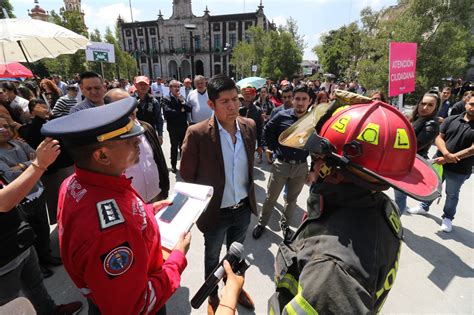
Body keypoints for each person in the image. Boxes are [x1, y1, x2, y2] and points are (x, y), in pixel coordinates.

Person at [267, 101, 440, 314]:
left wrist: (230, 301)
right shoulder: (383, 207)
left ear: (335, 171)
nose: (314, 167)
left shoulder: (332, 271)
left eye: (317, 159)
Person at [41, 97, 191, 314]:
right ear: (102, 155)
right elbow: (136, 306)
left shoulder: (74, 182)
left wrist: (147, 211)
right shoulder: (112, 231)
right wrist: (177, 258)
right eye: (130, 140)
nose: (139, 142)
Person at [180, 74, 257, 315]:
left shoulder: (249, 127)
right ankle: (212, 295)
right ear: (211, 104)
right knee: (212, 257)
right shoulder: (198, 133)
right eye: (225, 101)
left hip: (243, 208)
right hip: (215, 212)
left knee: (236, 254)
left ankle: (234, 288)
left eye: (235, 99)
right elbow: (187, 175)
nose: (233, 106)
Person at [0, 137, 83, 315]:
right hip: (3, 260)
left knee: (35, 285)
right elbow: (3, 202)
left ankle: (50, 311)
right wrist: (38, 164)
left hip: (18, 237)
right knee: (10, 304)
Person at [0, 116, 62, 279]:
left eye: (6, 126)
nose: (4, 130)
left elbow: (37, 157)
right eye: (0, 127)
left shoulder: (19, 143)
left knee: (42, 228)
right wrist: (33, 163)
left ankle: (46, 256)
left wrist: (25, 165)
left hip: (37, 192)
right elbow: (9, 176)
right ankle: (38, 266)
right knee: (29, 233)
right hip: (20, 201)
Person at [252, 85, 312, 240]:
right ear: (292, 99)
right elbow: (267, 130)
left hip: (301, 167)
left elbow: (317, 143)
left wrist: (313, 170)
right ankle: (261, 224)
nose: (300, 102)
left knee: (291, 200)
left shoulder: (313, 121)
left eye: (304, 99)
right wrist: (271, 148)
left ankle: (285, 226)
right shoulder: (282, 116)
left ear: (310, 101)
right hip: (281, 165)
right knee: (270, 197)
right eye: (297, 98)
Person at [408, 95, 474, 232]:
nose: (473, 108)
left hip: (460, 168)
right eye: (472, 104)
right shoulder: (452, 119)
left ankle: (448, 217)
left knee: (452, 194)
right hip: (439, 161)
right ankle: (423, 207)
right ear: (467, 102)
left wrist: (449, 158)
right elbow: (439, 137)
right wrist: (446, 154)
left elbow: (472, 149)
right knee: (432, 186)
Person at [105, 88, 170, 201]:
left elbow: (159, 160)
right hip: (130, 202)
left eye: (130, 103)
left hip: (156, 194)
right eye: (121, 105)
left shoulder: (147, 128)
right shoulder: (106, 139)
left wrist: (165, 187)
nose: (128, 108)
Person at [19, 99, 74, 225]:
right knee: (56, 197)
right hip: (51, 168)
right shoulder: (33, 126)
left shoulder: (54, 119)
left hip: (65, 163)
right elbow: (32, 138)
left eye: (45, 105)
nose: (44, 108)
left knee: (71, 194)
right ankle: (62, 222)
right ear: (32, 111)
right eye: (40, 107)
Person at [394, 92, 440, 213]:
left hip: (409, 163)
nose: (425, 108)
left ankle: (392, 224)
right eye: (423, 103)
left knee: (400, 197)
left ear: (436, 107)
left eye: (430, 105)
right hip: (397, 159)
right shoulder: (415, 118)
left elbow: (414, 145)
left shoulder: (432, 125)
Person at [162, 80, 192, 173]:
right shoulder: (166, 99)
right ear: (170, 88)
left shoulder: (181, 97)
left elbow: (189, 109)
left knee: (183, 147)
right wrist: (181, 111)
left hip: (183, 126)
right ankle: (173, 166)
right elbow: (168, 113)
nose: (177, 88)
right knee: (174, 147)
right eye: (174, 87)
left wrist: (182, 101)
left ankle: (184, 165)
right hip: (173, 127)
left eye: (178, 87)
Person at [133, 76, 164, 144]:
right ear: (135, 85)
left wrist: (160, 135)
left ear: (149, 86)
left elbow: (159, 119)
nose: (143, 87)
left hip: (150, 134)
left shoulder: (154, 101)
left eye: (145, 84)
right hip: (135, 135)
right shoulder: (131, 101)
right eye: (141, 84)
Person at [238, 83, 264, 163]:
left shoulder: (258, 110)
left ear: (254, 95)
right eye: (245, 92)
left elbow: (260, 129)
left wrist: (260, 145)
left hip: (251, 140)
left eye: (250, 92)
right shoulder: (235, 107)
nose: (248, 95)